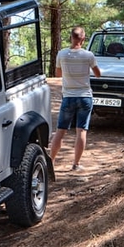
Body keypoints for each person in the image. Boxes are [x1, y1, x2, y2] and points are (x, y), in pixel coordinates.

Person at [49, 26, 102, 171]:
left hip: (68, 97)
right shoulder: (88, 55)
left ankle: (51, 163)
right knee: (81, 131)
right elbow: (98, 74)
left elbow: (58, 74)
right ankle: (76, 164)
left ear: (70, 37)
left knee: (60, 131)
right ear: (83, 39)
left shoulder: (62, 54)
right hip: (85, 97)